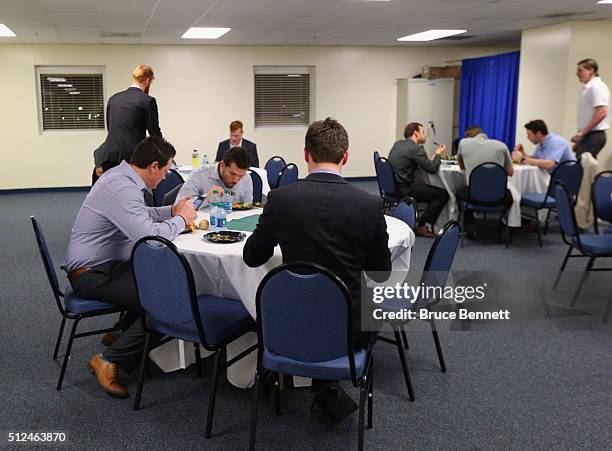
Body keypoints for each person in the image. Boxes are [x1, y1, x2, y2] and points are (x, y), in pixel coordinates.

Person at [243, 117, 391, 423]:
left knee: (313, 302)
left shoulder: (281, 200)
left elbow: (252, 257)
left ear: (306, 154)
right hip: (347, 331)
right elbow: (380, 272)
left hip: (285, 325)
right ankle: (329, 387)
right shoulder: (369, 205)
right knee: (369, 309)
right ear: (346, 157)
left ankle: (309, 385)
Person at [63, 136, 197, 398]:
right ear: (154, 166)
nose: (166, 177)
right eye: (167, 171)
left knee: (161, 280)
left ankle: (122, 334)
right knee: (169, 300)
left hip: (105, 265)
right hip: (93, 274)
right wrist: (182, 219)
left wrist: (172, 211)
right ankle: (109, 359)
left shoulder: (121, 179)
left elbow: (140, 215)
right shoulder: (122, 189)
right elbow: (149, 237)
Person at [94, 64, 162, 178]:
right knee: (133, 191)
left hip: (110, 156)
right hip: (133, 158)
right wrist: (164, 153)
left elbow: (110, 127)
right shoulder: (147, 101)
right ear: (148, 80)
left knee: (114, 189)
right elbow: (154, 132)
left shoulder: (113, 99)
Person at [387, 122, 449, 237]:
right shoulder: (415, 148)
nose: (425, 135)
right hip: (405, 189)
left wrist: (428, 160)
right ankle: (421, 225)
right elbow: (432, 169)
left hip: (393, 187)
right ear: (415, 133)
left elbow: (416, 162)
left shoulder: (398, 144)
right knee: (442, 194)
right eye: (423, 132)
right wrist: (438, 154)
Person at [456, 125, 514, 235]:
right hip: (498, 197)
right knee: (511, 197)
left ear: (468, 134)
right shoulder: (501, 146)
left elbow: (462, 167)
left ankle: (468, 223)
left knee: (459, 192)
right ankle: (503, 227)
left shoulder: (463, 143)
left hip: (473, 196)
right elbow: (510, 172)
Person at [176, 146, 253, 205]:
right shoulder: (199, 174)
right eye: (232, 174)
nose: (236, 180)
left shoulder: (247, 178)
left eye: (240, 176)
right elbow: (180, 205)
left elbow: (248, 208)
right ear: (223, 165)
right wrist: (206, 198)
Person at [572, 58, 610, 158]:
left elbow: (602, 112)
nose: (577, 73)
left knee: (584, 168)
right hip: (589, 135)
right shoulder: (589, 88)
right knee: (583, 167)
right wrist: (581, 138)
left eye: (580, 70)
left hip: (594, 135)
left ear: (591, 71)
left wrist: (581, 134)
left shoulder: (597, 86)